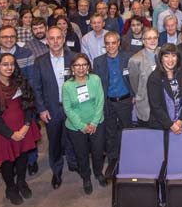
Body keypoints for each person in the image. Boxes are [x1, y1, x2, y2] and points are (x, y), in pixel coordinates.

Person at [0, 53, 41, 205]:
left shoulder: (20, 81)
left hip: (23, 127)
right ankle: (11, 188)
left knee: (23, 157)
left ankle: (21, 182)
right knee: (7, 162)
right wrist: (10, 134)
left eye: (11, 64)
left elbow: (29, 104)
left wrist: (26, 126)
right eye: (4, 64)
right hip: (4, 131)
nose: (9, 67)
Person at [32, 27, 77, 190]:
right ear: (47, 41)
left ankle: (73, 163)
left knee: (73, 138)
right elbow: (36, 88)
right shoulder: (40, 61)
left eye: (59, 38)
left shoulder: (74, 58)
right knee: (55, 142)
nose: (56, 41)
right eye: (52, 38)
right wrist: (41, 109)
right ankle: (56, 171)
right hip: (51, 109)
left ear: (63, 39)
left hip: (72, 108)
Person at [62, 53, 106, 194]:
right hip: (75, 128)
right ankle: (86, 178)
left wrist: (93, 123)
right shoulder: (67, 86)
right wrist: (82, 126)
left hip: (97, 124)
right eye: (77, 65)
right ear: (72, 68)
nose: (80, 68)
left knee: (98, 152)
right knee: (81, 154)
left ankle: (98, 173)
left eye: (84, 64)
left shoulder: (95, 79)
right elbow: (67, 108)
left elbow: (100, 101)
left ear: (88, 67)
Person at [93, 31, 133, 176]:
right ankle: (112, 160)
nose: (111, 46)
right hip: (108, 102)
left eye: (113, 42)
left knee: (127, 131)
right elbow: (96, 84)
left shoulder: (128, 58)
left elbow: (133, 78)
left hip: (125, 100)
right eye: (107, 43)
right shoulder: (98, 61)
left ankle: (129, 159)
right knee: (110, 133)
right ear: (105, 44)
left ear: (118, 43)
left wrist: (134, 95)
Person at [147, 43, 182, 133]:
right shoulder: (154, 78)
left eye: (174, 56)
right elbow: (156, 106)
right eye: (166, 56)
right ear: (161, 58)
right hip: (160, 126)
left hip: (179, 123)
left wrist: (180, 119)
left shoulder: (181, 73)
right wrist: (171, 125)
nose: (170, 60)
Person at [128, 27, 160, 127]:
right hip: (146, 106)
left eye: (155, 37)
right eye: (149, 38)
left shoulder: (164, 54)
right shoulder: (135, 60)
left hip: (163, 106)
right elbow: (135, 84)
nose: (152, 41)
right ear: (143, 41)